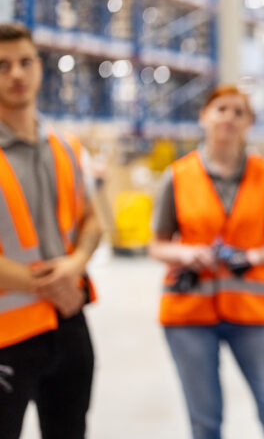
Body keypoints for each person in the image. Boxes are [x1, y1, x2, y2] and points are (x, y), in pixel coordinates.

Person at [149, 85, 264, 439]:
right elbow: (156, 245)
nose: (229, 118)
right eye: (221, 109)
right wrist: (186, 254)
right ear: (204, 117)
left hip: (253, 311)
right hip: (189, 314)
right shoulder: (178, 176)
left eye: (238, 112)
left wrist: (253, 257)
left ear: (249, 123)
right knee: (205, 423)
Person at [0, 22, 101, 439]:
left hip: (69, 322)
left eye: (25, 62)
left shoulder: (66, 146)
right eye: (3, 66)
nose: (16, 74)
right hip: (8, 333)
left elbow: (92, 219)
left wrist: (75, 263)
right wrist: (48, 283)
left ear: (40, 69)